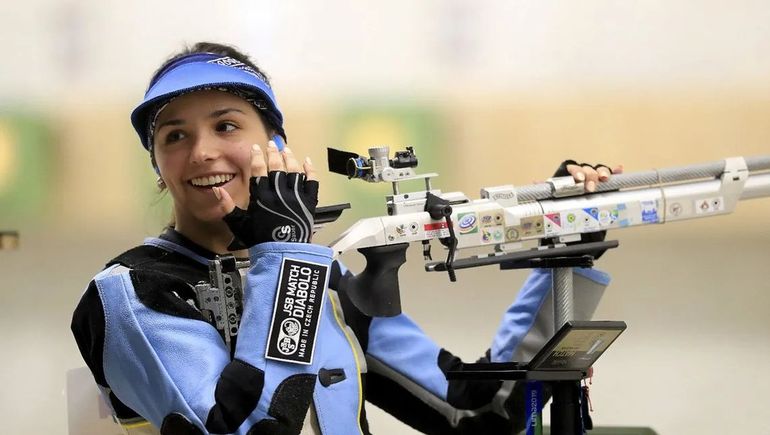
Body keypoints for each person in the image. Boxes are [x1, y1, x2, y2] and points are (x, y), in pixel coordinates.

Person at [71, 42, 619, 435]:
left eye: (228, 125)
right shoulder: (132, 291)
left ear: (277, 148)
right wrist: (286, 255)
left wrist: (562, 247)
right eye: (175, 136)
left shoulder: (323, 280)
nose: (202, 151)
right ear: (159, 167)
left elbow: (481, 413)